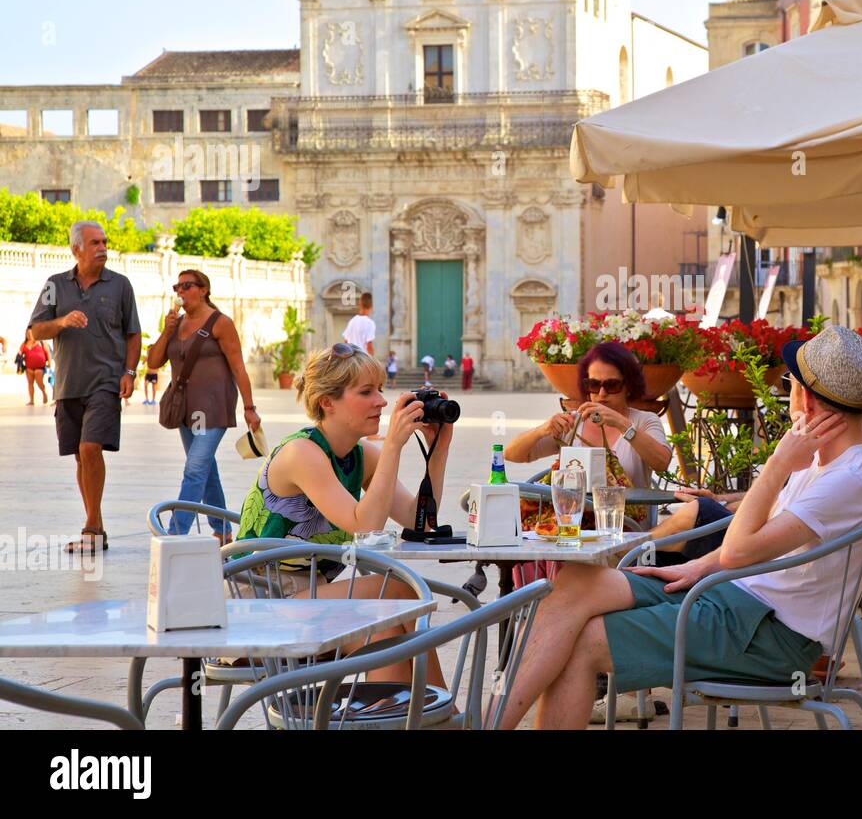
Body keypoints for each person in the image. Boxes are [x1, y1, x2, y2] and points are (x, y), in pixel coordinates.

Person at [492, 324, 862, 730]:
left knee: (586, 642)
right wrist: (697, 567)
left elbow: (738, 551)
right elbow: (754, 541)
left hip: (771, 636)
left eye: (789, 384)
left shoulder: (847, 480)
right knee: (577, 580)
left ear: (804, 398)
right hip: (735, 603)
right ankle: (489, 724)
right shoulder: (828, 463)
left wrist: (777, 464)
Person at [236, 343, 456, 686]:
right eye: (366, 392)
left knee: (388, 635)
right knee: (398, 590)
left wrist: (438, 451)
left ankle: (404, 719)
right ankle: (447, 717)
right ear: (327, 402)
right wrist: (394, 446)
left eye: (380, 390)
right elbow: (365, 525)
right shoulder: (301, 452)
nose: (382, 401)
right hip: (257, 607)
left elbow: (420, 521)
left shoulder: (359, 455)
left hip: (306, 599)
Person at [28, 221, 141, 555]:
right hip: (67, 385)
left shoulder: (121, 286)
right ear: (76, 248)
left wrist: (130, 372)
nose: (102, 247)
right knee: (80, 456)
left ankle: (91, 527)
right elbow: (36, 331)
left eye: (105, 241)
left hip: (105, 383)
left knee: (91, 448)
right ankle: (97, 523)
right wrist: (62, 321)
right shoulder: (54, 286)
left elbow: (133, 334)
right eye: (95, 242)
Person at [148, 269, 262, 541]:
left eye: (186, 286)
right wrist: (167, 330)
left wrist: (249, 407)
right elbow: (153, 361)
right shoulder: (177, 324)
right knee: (206, 471)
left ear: (203, 289)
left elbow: (238, 368)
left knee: (195, 469)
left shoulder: (220, 323)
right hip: (185, 409)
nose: (180, 292)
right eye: (177, 287)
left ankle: (175, 534)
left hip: (214, 407)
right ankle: (223, 531)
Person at [504, 341, 673, 488]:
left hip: (627, 522)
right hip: (575, 522)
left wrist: (622, 424)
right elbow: (512, 454)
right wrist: (542, 429)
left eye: (612, 385)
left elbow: (662, 462)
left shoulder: (645, 421)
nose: (602, 393)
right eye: (593, 384)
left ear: (628, 386)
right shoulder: (573, 422)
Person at [19, 329, 51, 405]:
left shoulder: (41, 342)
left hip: (40, 367)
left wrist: (49, 362)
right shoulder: (24, 343)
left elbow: (48, 352)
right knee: (30, 383)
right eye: (27, 334)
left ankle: (44, 393)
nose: (29, 335)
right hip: (28, 367)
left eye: (30, 333)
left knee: (39, 382)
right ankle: (31, 400)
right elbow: (20, 354)